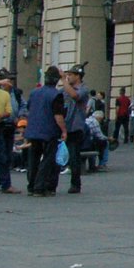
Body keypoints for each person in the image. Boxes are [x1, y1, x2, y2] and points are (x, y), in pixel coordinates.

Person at [24, 68, 66, 196]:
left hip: (33, 129)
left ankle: (31, 185)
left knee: (33, 158)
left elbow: (29, 108)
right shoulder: (57, 94)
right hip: (49, 131)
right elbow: (58, 116)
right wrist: (64, 130)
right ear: (56, 80)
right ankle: (40, 186)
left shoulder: (34, 92)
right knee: (47, 159)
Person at [59, 64, 91, 194]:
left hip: (76, 126)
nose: (68, 77)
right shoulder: (66, 88)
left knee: (74, 156)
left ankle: (75, 184)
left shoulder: (83, 89)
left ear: (78, 76)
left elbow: (75, 96)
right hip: (64, 125)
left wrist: (63, 80)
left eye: (71, 75)